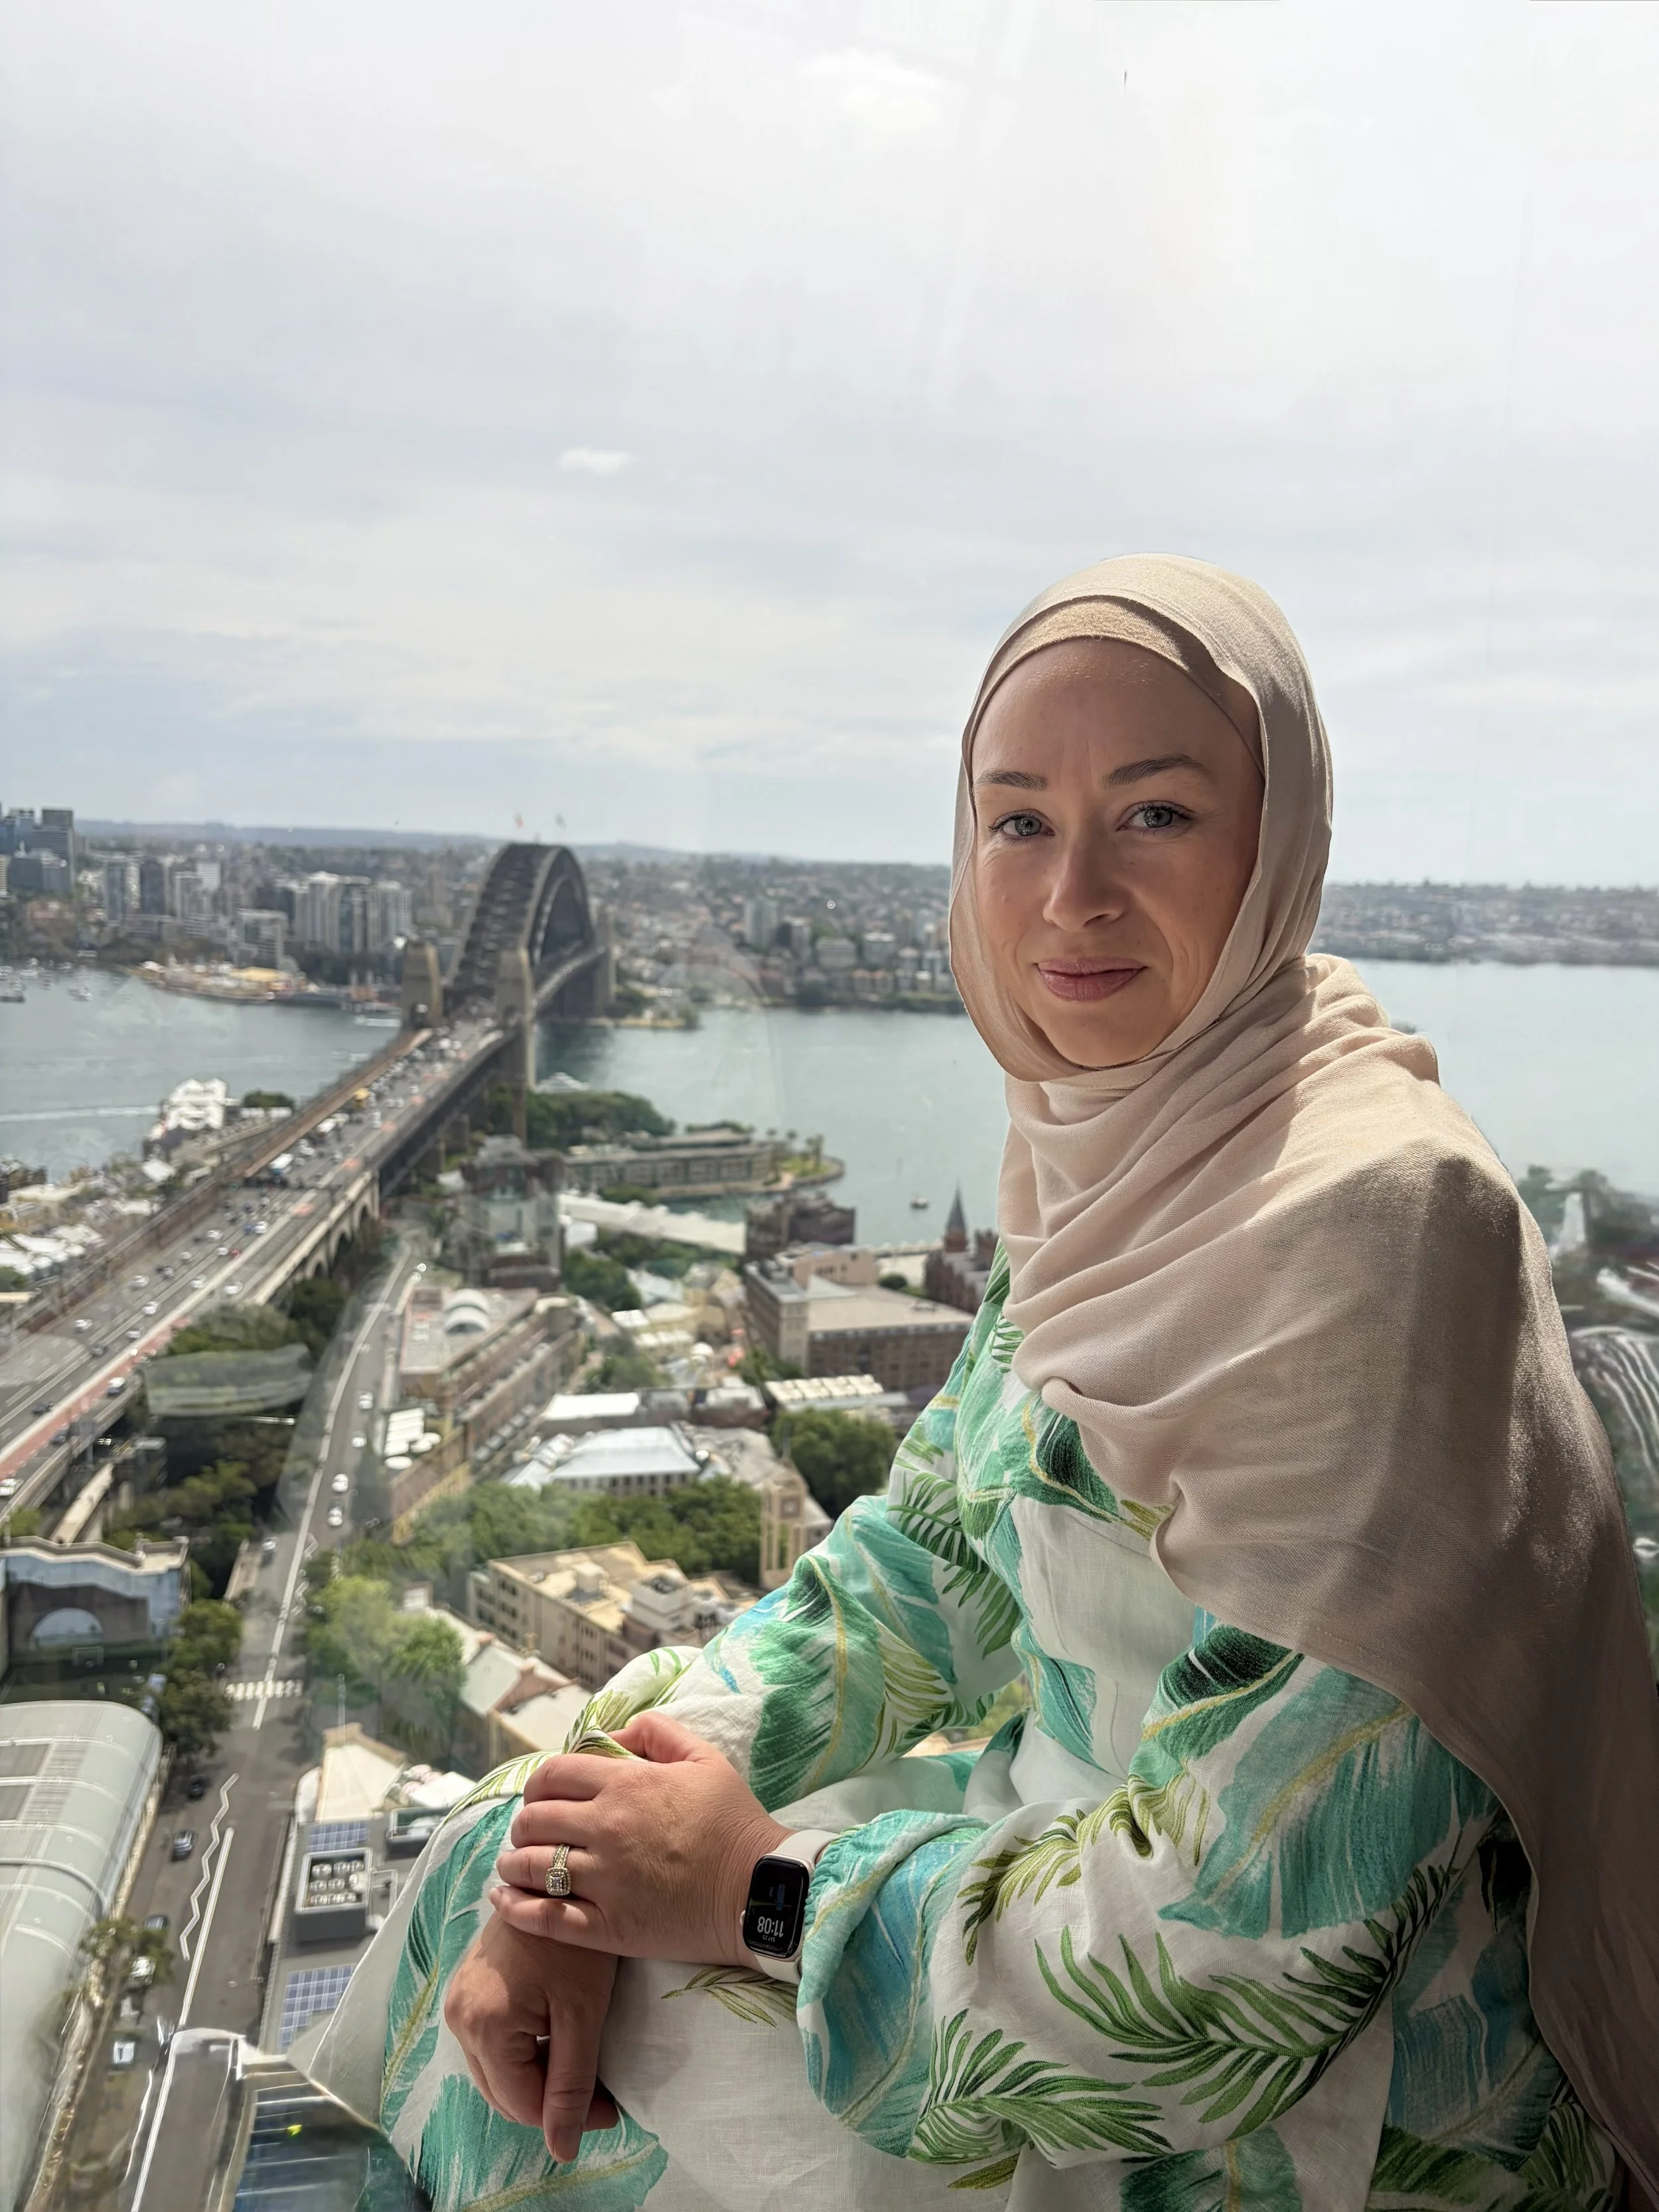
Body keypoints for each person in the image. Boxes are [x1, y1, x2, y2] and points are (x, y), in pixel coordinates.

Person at [301, 556, 1658, 2211]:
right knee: (494, 1864)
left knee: (589, 2099)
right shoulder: (1138, 1156)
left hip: (1320, 2086)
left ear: (1278, 843)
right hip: (1038, 1890)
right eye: (1016, 820)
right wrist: (593, 1847)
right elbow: (928, 1555)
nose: (1069, 892)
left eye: (1152, 814)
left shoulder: (1369, 1238)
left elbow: (1230, 1975)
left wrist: (750, 1891)